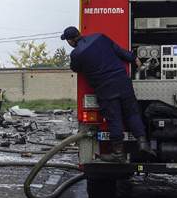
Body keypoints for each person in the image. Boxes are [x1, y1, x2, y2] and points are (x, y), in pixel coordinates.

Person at [61, 26, 154, 163]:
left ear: (70, 41)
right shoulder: (100, 37)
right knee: (132, 113)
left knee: (114, 119)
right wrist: (133, 58)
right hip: (123, 82)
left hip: (106, 89)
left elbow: (75, 68)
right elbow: (119, 51)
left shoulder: (76, 54)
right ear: (79, 33)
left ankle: (118, 154)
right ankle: (143, 143)